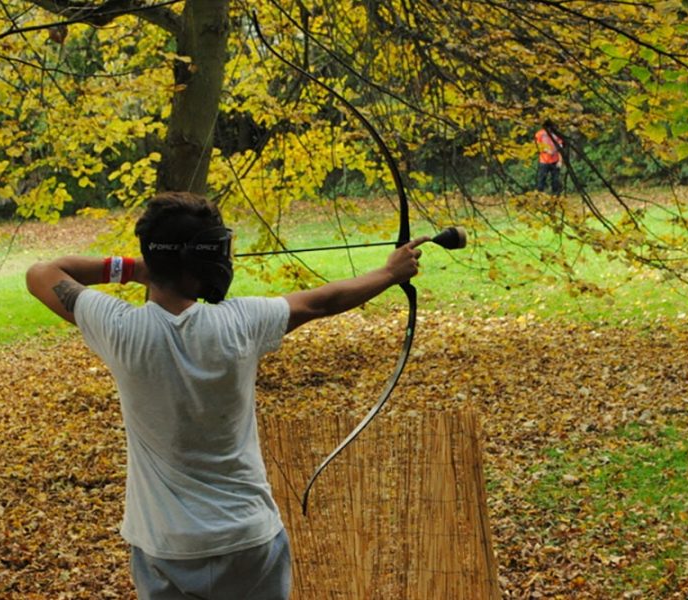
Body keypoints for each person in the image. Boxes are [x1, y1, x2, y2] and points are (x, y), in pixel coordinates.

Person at [25, 191, 429, 600]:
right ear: (205, 260)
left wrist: (138, 268)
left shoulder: (118, 329)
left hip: (164, 546)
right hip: (247, 541)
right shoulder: (241, 323)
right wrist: (390, 273)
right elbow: (323, 302)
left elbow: (42, 272)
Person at [535, 120, 564, 195]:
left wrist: (560, 160)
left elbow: (560, 148)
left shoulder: (556, 134)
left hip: (555, 160)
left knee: (555, 180)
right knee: (541, 180)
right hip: (544, 161)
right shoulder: (539, 134)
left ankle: (556, 195)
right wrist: (546, 150)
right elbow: (538, 146)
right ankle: (540, 195)